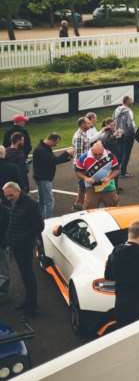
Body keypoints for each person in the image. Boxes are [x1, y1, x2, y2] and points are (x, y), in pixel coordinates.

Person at [2, 182, 42, 316]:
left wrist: (22, 238)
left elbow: (39, 226)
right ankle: (28, 301)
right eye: (6, 196)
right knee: (24, 275)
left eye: (10, 195)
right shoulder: (16, 202)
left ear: (18, 191)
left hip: (24, 246)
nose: (8, 198)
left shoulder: (31, 205)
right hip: (16, 245)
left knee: (29, 275)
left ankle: (33, 306)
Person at [32, 134, 72, 219]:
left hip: (42, 178)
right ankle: (48, 219)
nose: (55, 145)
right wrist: (66, 153)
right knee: (49, 201)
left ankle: (39, 217)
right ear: (51, 140)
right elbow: (54, 160)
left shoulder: (44, 148)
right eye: (55, 143)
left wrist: (68, 157)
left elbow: (53, 160)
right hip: (44, 178)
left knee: (42, 200)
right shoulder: (42, 150)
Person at [75, 141, 121, 209]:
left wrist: (109, 177)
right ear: (91, 150)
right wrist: (85, 178)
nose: (98, 156)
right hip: (91, 188)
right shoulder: (84, 157)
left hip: (108, 187)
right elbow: (78, 171)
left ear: (103, 150)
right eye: (95, 154)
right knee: (90, 210)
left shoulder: (110, 155)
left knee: (113, 208)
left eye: (100, 154)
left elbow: (116, 169)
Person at [112, 96, 136, 178]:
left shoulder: (116, 110)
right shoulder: (128, 111)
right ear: (127, 101)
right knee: (126, 153)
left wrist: (115, 131)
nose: (132, 101)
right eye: (130, 100)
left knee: (119, 153)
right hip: (127, 135)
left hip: (118, 134)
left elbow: (113, 121)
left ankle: (116, 170)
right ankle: (123, 172)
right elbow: (130, 124)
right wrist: (133, 133)